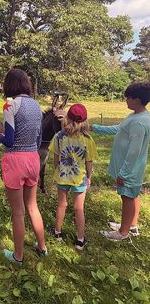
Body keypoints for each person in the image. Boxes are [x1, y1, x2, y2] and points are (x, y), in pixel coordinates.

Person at [0, 68, 47, 265]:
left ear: (8, 85)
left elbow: (8, 140)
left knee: (18, 212)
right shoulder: (37, 106)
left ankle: (18, 256)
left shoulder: (10, 106)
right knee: (32, 206)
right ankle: (42, 247)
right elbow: (39, 138)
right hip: (33, 158)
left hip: (15, 160)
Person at [91, 82, 150, 241]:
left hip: (130, 170)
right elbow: (118, 129)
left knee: (127, 197)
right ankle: (132, 225)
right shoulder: (136, 115)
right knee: (133, 195)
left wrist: (123, 173)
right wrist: (93, 127)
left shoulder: (139, 122)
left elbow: (133, 152)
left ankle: (123, 233)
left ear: (137, 99)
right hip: (132, 169)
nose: (126, 100)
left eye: (128, 97)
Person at [48, 103, 97, 250]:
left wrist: (58, 171)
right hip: (79, 178)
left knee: (62, 205)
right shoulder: (88, 139)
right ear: (85, 121)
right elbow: (89, 162)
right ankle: (80, 240)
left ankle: (57, 233)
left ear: (67, 117)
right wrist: (89, 177)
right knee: (79, 208)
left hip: (63, 176)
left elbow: (55, 158)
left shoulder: (59, 136)